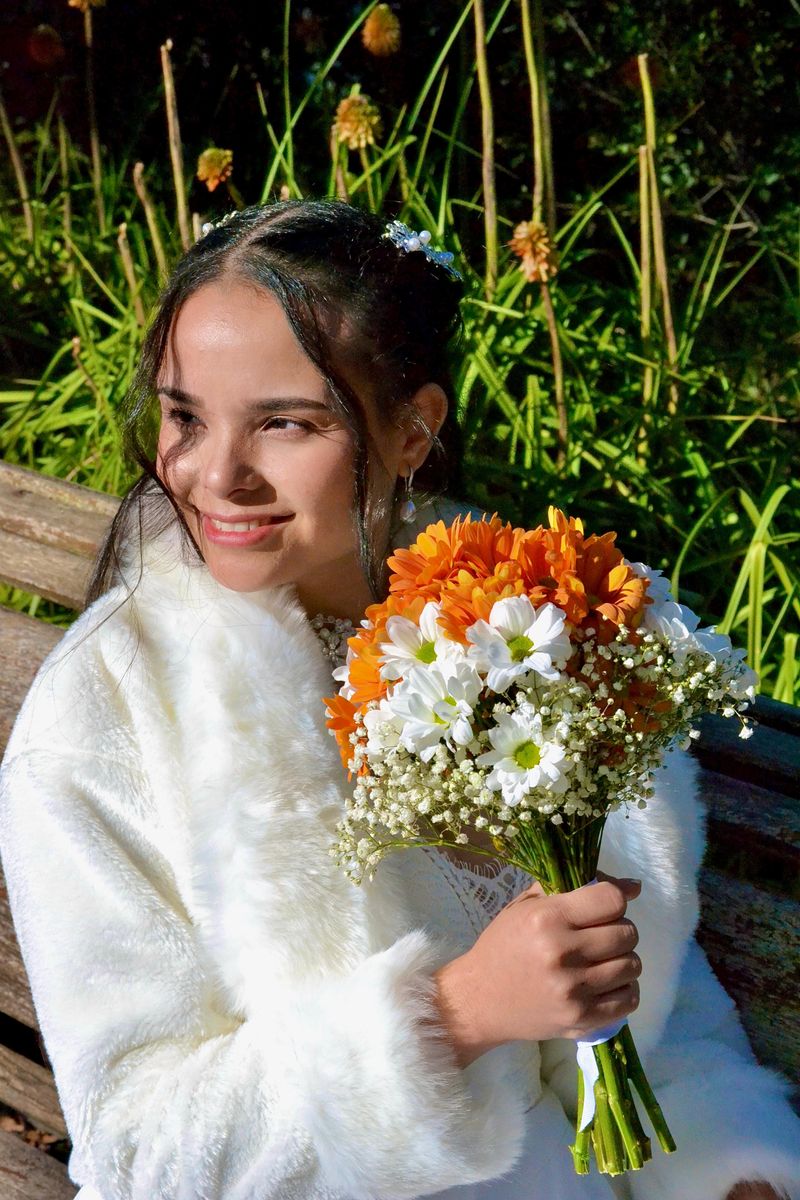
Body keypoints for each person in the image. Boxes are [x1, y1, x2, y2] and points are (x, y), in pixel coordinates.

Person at [0, 199, 797, 1200]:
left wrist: (731, 1165)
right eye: (184, 416)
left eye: (283, 422)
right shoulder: (104, 720)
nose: (213, 474)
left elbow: (639, 986)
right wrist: (450, 1017)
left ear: (412, 430)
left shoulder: (519, 632)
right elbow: (137, 1149)